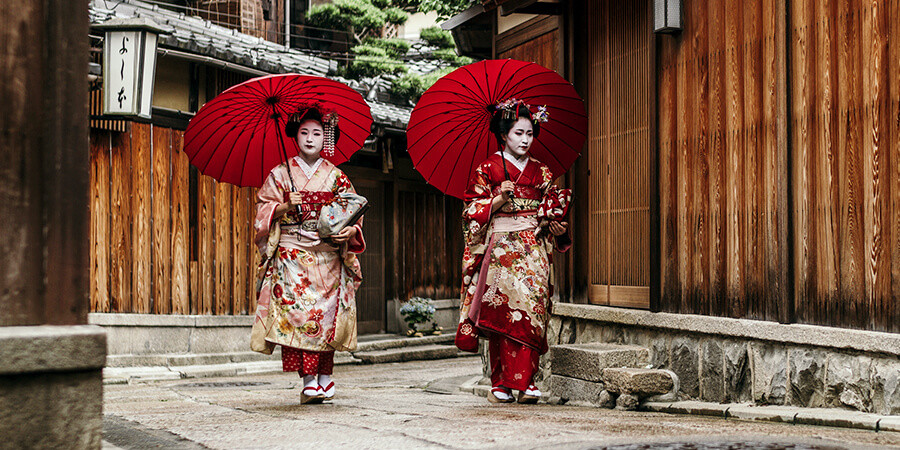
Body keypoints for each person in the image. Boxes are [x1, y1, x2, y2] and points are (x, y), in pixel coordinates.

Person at [455, 99, 571, 404]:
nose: (525, 140)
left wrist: (555, 226)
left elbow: (551, 208)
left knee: (533, 311)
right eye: (519, 133)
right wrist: (495, 201)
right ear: (503, 134)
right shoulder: (487, 168)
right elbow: (470, 211)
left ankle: (527, 380)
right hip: (501, 248)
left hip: (533, 246)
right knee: (502, 313)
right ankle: (501, 381)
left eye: (530, 134)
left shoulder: (542, 172)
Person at [251, 104, 365, 404]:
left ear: (327, 137)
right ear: (295, 136)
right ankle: (308, 379)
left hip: (327, 254)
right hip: (292, 257)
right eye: (304, 132)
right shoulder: (279, 174)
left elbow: (353, 212)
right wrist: (284, 206)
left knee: (327, 317)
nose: (310, 138)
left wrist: (351, 232)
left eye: (317, 133)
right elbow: (262, 210)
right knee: (298, 317)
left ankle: (325, 376)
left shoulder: (337, 176)